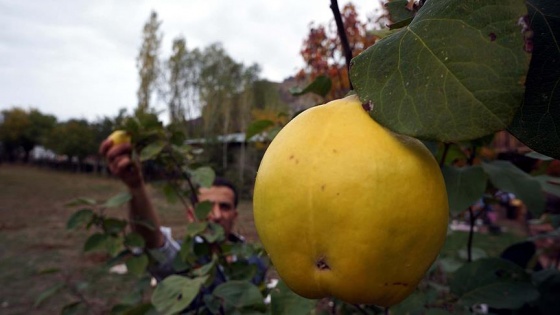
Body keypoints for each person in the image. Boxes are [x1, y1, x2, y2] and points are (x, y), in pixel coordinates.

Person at [98, 137, 267, 284]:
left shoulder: (254, 260)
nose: (216, 216)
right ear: (191, 216)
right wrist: (135, 186)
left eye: (224, 207)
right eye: (206, 207)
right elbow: (154, 244)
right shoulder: (185, 258)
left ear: (234, 215)